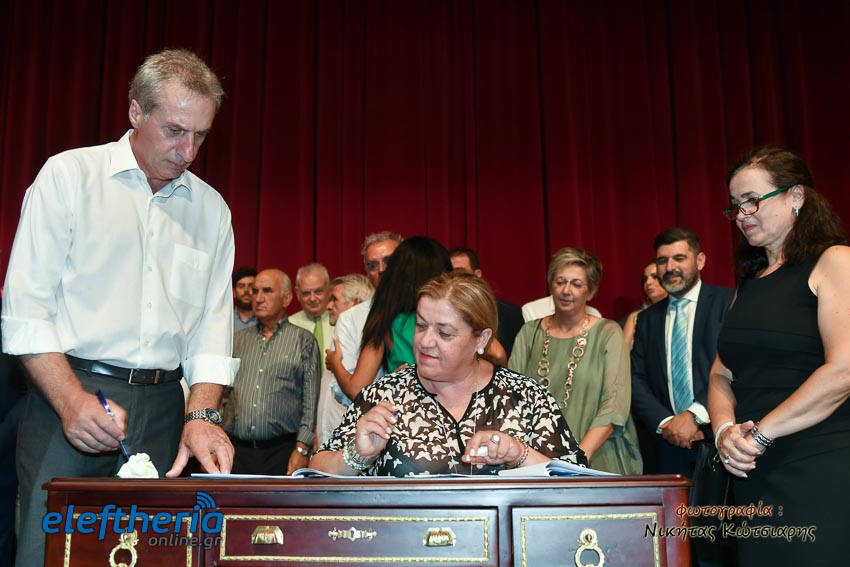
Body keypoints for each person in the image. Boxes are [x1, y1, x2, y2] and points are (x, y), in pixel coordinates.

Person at [1, 49, 239, 566]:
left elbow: (213, 328)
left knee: (154, 556)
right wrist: (70, 400)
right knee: (50, 552)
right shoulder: (69, 176)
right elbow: (25, 311)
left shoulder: (212, 210)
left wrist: (201, 414)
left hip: (164, 408)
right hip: (69, 395)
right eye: (175, 130)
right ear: (135, 111)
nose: (188, 151)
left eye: (201, 135)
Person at [709, 145, 850, 563]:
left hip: (819, 464)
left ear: (796, 196)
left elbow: (843, 371)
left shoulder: (834, 261)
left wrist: (759, 435)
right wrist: (724, 433)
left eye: (752, 200)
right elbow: (720, 374)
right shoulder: (750, 282)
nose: (742, 214)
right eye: (735, 205)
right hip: (753, 472)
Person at [310, 271, 585, 476]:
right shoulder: (385, 394)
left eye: (444, 333)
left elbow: (578, 482)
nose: (426, 341)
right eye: (421, 326)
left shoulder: (524, 396)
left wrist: (520, 454)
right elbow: (315, 472)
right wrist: (356, 455)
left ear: (481, 339)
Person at [509, 247, 642, 475]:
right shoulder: (529, 333)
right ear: (551, 285)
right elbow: (512, 397)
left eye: (576, 284)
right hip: (538, 459)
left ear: (591, 291)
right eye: (560, 282)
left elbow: (615, 404)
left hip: (598, 456)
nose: (566, 290)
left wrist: (577, 460)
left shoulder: (608, 332)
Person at [630, 228, 733, 475]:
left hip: (722, 439)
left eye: (679, 258)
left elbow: (737, 364)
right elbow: (635, 378)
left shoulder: (729, 303)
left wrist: (694, 416)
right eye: (662, 261)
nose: (669, 268)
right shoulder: (646, 319)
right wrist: (669, 424)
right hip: (667, 445)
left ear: (700, 260)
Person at [326, 236, 455, 401]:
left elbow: (356, 389)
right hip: (457, 404)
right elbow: (489, 357)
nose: (382, 270)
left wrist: (335, 363)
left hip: (412, 410)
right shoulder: (457, 315)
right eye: (373, 265)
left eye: (388, 262)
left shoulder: (385, 317)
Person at [225, 269, 320, 474]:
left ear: (286, 298)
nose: (258, 298)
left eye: (267, 291)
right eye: (255, 291)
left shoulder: (303, 341)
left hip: (283, 452)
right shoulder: (237, 340)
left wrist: (302, 449)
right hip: (236, 452)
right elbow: (223, 395)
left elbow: (311, 402)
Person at [317, 274, 375, 447]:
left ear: (356, 303)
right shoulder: (341, 335)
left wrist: (335, 364)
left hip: (354, 442)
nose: (328, 306)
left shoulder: (371, 340)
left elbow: (352, 393)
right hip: (330, 441)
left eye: (334, 299)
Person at [448, 246, 524, 357]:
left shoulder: (511, 313)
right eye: (450, 273)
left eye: (461, 272)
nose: (455, 278)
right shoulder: (442, 312)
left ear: (477, 275)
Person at [288, 263, 333, 372]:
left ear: (329, 290)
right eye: (306, 293)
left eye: (318, 292)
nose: (312, 298)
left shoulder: (343, 321)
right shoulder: (289, 325)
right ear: (297, 294)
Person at [621, 260, 668, 350]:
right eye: (645, 279)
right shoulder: (635, 318)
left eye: (655, 276)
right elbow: (623, 355)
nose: (648, 282)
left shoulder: (680, 312)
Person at [232, 266, 257, 332]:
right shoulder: (225, 320)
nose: (246, 290)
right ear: (234, 292)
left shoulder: (266, 320)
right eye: (241, 286)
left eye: (251, 286)